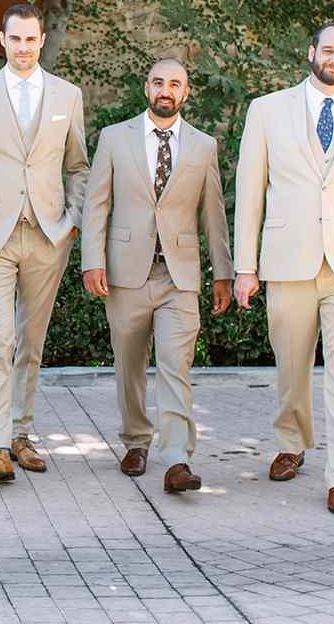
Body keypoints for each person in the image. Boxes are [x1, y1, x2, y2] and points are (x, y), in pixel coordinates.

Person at [233, 21, 334, 516]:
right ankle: (292, 441)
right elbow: (249, 193)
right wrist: (245, 266)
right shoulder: (266, 110)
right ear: (312, 52)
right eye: (329, 50)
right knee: (291, 363)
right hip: (287, 260)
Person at [0, 1, 89, 483]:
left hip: (49, 234)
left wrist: (71, 221)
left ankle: (22, 435)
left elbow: (78, 167)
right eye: (16, 39)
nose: (24, 48)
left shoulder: (68, 96)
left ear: (41, 40)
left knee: (31, 339)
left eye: (32, 39)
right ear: (2, 41)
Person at [81, 58, 232, 493]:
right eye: (159, 82)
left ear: (186, 93)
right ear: (146, 88)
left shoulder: (204, 146)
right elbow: (97, 205)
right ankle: (135, 440)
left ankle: (176, 459)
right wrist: (93, 260)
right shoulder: (114, 138)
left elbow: (214, 215)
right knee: (129, 364)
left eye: (176, 84)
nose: (166, 90)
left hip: (179, 276)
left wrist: (222, 273)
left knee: (175, 365)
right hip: (126, 272)